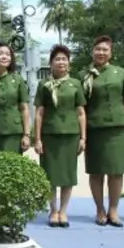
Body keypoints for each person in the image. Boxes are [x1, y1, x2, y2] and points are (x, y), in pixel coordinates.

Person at [82, 35, 124, 227]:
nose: (101, 53)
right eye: (98, 49)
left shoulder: (120, 72)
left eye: (105, 49)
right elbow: (80, 107)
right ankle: (100, 209)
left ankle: (114, 210)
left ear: (110, 53)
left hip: (117, 128)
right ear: (92, 51)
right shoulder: (84, 75)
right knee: (96, 172)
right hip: (94, 128)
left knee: (116, 171)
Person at [34, 45, 86, 228]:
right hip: (49, 135)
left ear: (69, 64)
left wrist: (83, 137)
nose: (61, 62)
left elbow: (80, 112)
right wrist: (37, 138)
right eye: (57, 59)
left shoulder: (76, 84)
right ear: (51, 63)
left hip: (70, 135)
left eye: (64, 59)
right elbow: (39, 113)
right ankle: (53, 209)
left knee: (67, 175)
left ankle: (63, 211)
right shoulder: (44, 85)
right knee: (49, 175)